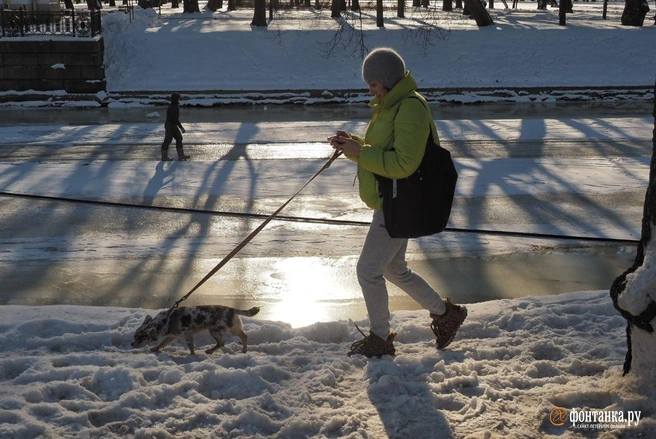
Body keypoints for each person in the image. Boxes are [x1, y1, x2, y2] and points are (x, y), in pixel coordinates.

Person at [329, 47, 467, 358]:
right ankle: (447, 315)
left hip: (400, 202)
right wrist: (354, 145)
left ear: (389, 81)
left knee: (368, 271)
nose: (371, 90)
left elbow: (404, 163)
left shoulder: (411, 108)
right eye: (369, 85)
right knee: (393, 268)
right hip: (391, 199)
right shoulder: (389, 105)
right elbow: (384, 150)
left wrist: (360, 152)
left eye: (374, 84)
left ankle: (380, 338)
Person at [161, 92, 190, 161]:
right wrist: (181, 127)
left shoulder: (174, 106)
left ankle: (181, 155)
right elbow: (175, 119)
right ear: (176, 99)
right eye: (178, 98)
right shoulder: (173, 107)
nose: (179, 99)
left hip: (172, 125)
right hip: (170, 125)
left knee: (179, 138)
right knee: (167, 141)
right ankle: (164, 157)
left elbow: (175, 119)